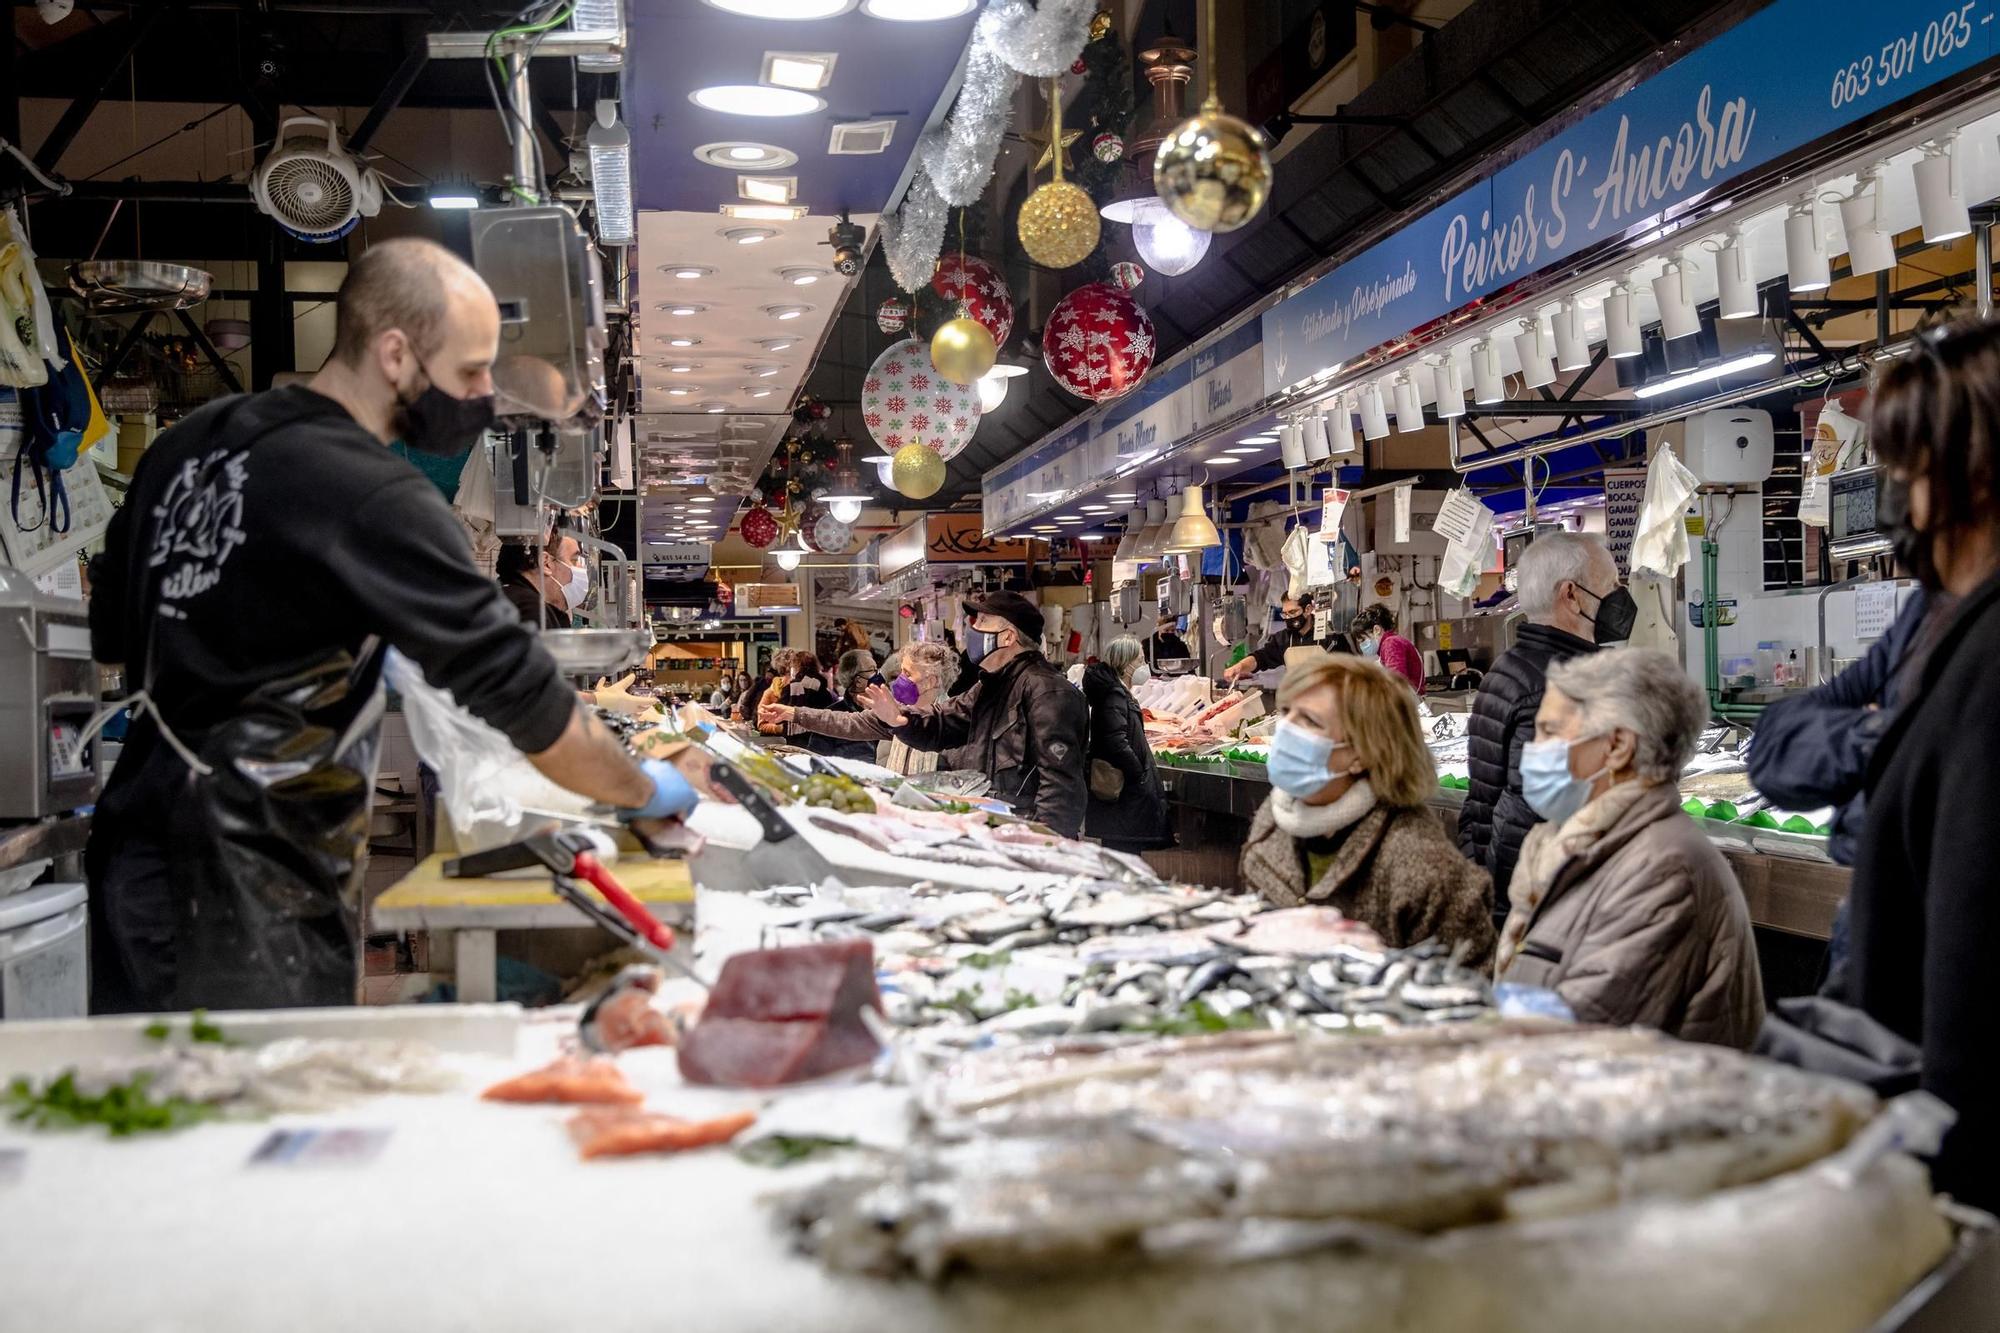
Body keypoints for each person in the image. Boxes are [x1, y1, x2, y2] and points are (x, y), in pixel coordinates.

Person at [83, 237, 718, 1014]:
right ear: (394, 353)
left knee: (148, 1117)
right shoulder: (374, 493)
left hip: (132, 844)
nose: (483, 394)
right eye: (469, 370)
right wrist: (640, 785)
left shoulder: (186, 446)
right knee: (252, 1112)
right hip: (251, 876)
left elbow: (113, 634)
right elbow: (527, 699)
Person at [1840, 318, 2000, 1210]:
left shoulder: (1990, 661)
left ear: (1967, 473)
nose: (1895, 497)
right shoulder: (1959, 634)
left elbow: (1971, 979)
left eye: (1904, 469)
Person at [1493, 649, 1762, 1049]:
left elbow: (1578, 1036)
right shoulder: (1576, 846)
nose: (1533, 748)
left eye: (1549, 732)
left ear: (1617, 746)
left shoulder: (1663, 870)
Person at [1238, 651, 1495, 964]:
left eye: (1309, 720)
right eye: (1287, 712)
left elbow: (1466, 994)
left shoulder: (1426, 867)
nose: (1285, 730)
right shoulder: (1272, 821)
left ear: (1361, 752)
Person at [1457, 532, 1631, 907]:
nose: (1621, 595)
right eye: (1612, 584)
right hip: (1547, 897)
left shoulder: (1508, 667)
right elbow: (1535, 812)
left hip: (1507, 889)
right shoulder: (1562, 686)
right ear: (1571, 595)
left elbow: (1482, 801)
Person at [860, 592, 1089, 835]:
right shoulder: (991, 686)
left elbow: (1061, 788)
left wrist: (1043, 842)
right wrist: (899, 719)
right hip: (994, 828)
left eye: (982, 622)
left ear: (1008, 637)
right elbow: (945, 722)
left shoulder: (1048, 692)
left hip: (1021, 834)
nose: (974, 629)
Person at [763, 641, 963, 773]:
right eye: (900, 672)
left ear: (931, 681)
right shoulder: (895, 711)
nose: (900, 680)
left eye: (907, 674)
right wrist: (792, 713)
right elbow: (846, 722)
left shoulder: (952, 722)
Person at [1082, 637, 1172, 853]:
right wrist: (1138, 773)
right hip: (1123, 793)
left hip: (1125, 794)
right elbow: (1115, 741)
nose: (1144, 666)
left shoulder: (1116, 694)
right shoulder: (1113, 696)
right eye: (1140, 660)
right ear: (1126, 663)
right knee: (1123, 856)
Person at [1221, 591, 1345, 684]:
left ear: (1308, 610)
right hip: (1298, 704)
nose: (1288, 618)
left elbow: (1350, 670)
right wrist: (1240, 666)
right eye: (1284, 614)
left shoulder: (1330, 636)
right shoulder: (1283, 638)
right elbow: (1261, 658)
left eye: (1292, 612)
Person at [498, 530, 587, 629]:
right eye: (574, 560)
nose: (581, 568)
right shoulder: (530, 612)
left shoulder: (506, 598)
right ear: (546, 563)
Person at [1349, 603, 1426, 694]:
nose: (1362, 645)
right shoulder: (1391, 643)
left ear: (1377, 630)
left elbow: (1396, 680)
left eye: (1363, 640)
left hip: (1411, 703)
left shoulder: (1391, 643)